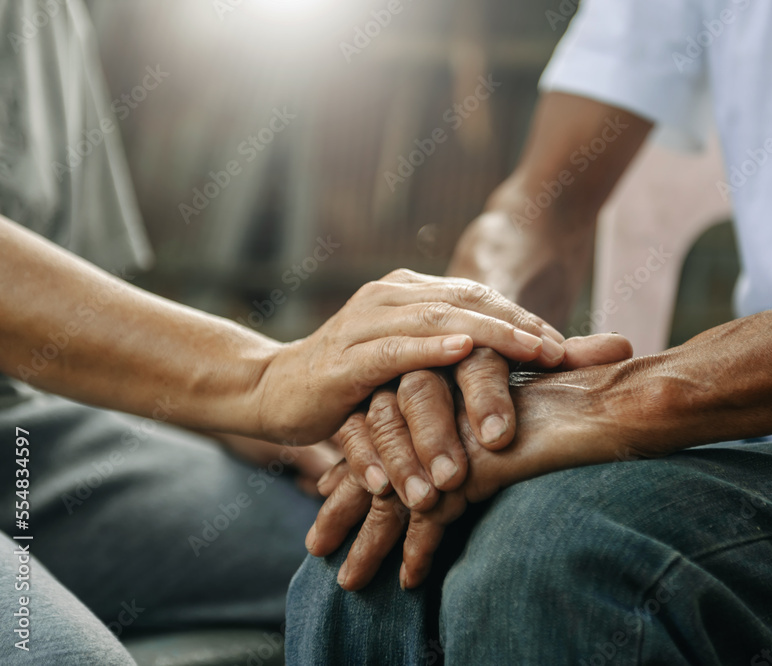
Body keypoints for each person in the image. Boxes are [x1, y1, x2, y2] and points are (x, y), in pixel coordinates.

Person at [287, 1, 772, 664]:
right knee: (370, 558)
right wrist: (455, 361)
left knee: (558, 554)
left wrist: (628, 400)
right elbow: (541, 207)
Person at [0, 1, 571, 663]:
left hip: (26, 429)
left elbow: (72, 288)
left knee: (392, 552)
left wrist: (201, 405)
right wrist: (251, 377)